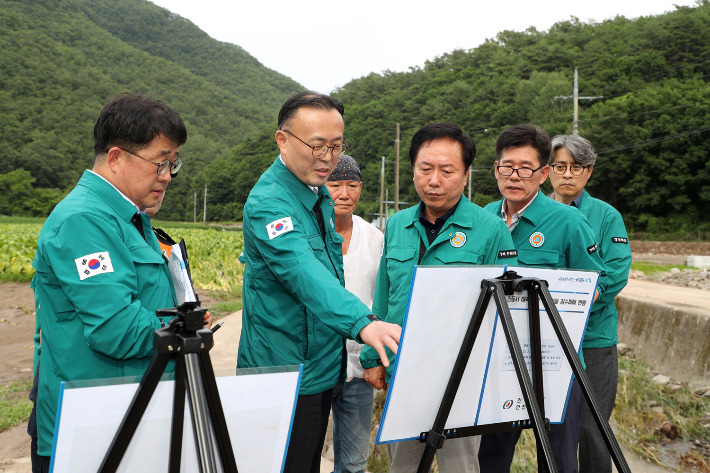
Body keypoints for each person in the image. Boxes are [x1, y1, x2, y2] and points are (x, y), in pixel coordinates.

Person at [29, 94, 212, 471]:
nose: (166, 177)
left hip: (133, 413)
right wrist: (184, 328)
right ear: (115, 158)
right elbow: (115, 327)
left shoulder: (132, 219)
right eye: (160, 163)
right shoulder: (83, 221)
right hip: (92, 426)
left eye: (172, 164)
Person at [237, 91, 401, 473]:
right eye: (316, 146)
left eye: (335, 146)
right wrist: (364, 322)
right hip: (286, 370)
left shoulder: (315, 195)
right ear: (282, 140)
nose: (327, 157)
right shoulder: (271, 203)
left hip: (320, 364)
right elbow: (304, 274)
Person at [359, 122, 519, 473]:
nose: (434, 180)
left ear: (465, 176)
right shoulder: (398, 224)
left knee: (459, 465)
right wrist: (372, 356)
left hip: (462, 373)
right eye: (425, 169)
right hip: (403, 370)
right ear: (413, 171)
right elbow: (384, 299)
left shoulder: (490, 229)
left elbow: (508, 306)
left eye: (447, 171)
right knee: (403, 464)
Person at [478, 125, 607, 473]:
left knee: (559, 460)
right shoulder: (483, 218)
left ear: (543, 173)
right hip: (499, 361)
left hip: (556, 362)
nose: (515, 175)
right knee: (491, 456)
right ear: (495, 169)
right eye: (507, 166)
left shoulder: (569, 222)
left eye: (526, 168)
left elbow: (595, 284)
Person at [548, 134, 631, 473]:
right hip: (545, 337)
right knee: (552, 427)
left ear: (589, 172)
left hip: (593, 338)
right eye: (560, 166)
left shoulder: (606, 216)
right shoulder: (537, 213)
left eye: (576, 167)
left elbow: (615, 274)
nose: (567, 174)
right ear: (547, 170)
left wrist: (576, 304)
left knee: (592, 427)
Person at [324, 156, 384, 473]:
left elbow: (380, 299)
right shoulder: (307, 236)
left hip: (359, 365)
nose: (344, 193)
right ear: (320, 187)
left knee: (354, 461)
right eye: (335, 185)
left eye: (352, 185)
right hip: (315, 364)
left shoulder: (375, 239)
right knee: (301, 452)